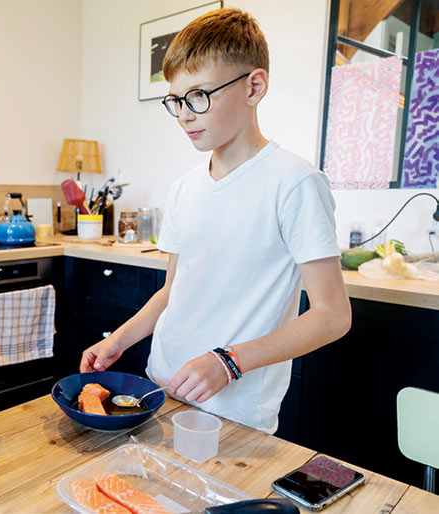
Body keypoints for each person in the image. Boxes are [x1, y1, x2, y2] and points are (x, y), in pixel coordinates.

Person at [80, 8, 351, 434]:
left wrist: (229, 362)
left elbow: (332, 315)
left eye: (198, 96)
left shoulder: (295, 183)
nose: (184, 115)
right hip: (162, 387)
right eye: (176, 101)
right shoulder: (184, 188)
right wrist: (118, 340)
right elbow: (173, 290)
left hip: (235, 410)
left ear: (254, 87)